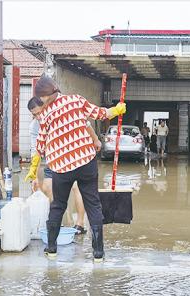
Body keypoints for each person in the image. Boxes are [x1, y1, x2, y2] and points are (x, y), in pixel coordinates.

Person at [25, 76, 126, 261]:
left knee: (58, 206)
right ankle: (98, 253)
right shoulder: (76, 100)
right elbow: (100, 113)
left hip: (62, 167)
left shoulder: (45, 115)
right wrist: (116, 110)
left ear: (44, 96)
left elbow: (40, 145)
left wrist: (34, 167)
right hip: (86, 162)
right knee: (93, 205)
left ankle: (52, 249)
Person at [28, 97, 100, 235]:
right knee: (48, 188)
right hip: (53, 161)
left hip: (73, 157)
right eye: (34, 115)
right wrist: (34, 176)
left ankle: (80, 223)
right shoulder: (34, 126)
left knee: (77, 187)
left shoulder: (63, 110)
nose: (38, 117)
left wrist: (95, 140)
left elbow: (86, 125)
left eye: (39, 112)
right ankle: (58, 226)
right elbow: (35, 151)